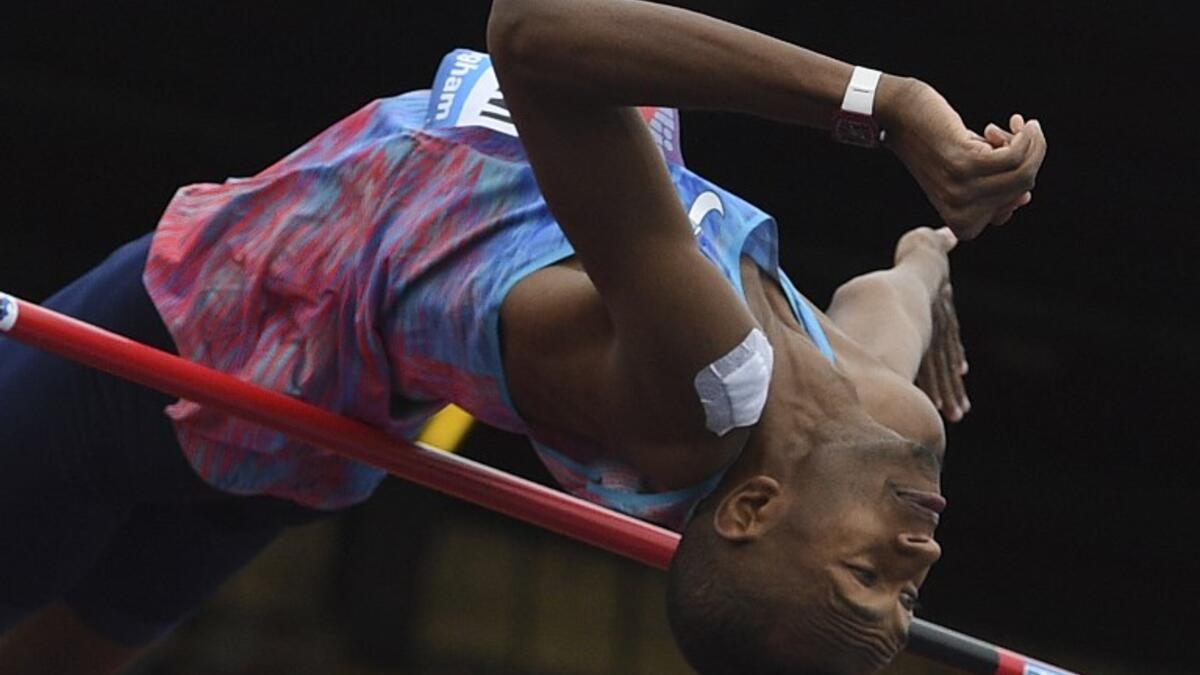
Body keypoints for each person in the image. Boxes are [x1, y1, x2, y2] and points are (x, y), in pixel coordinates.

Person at [0, 0, 1046, 673]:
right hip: (312, 433)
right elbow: (881, 316)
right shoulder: (880, 416)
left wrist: (887, 102)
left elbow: (535, 37)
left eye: (869, 578)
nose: (922, 552)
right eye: (908, 594)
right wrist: (929, 253)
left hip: (209, 335)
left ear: (757, 509)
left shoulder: (700, 385)